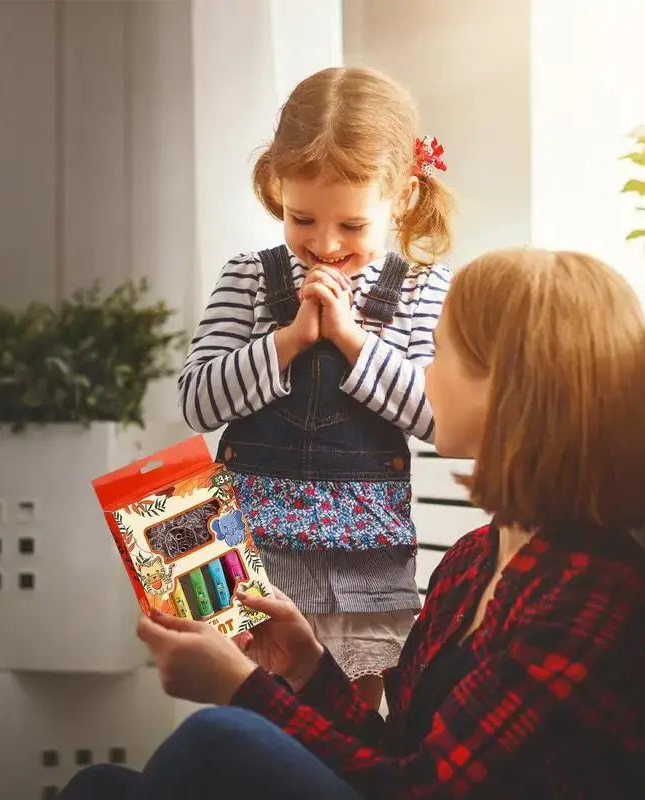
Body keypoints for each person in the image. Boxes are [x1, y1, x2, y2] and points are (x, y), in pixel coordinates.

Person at [60, 248, 645, 799]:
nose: (424, 370)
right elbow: (399, 754)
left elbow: (417, 791)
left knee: (218, 737)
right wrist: (305, 666)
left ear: (511, 389)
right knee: (99, 786)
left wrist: (242, 690)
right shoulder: (472, 561)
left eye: (442, 350)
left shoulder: (591, 594)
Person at [177, 66, 454, 708]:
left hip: (364, 558)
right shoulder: (249, 278)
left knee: (348, 716)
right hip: (253, 553)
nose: (324, 245)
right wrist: (288, 340)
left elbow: (436, 416)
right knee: (250, 713)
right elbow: (195, 401)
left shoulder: (421, 289)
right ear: (277, 185)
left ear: (403, 198)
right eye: (302, 218)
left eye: (352, 227)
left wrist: (353, 339)